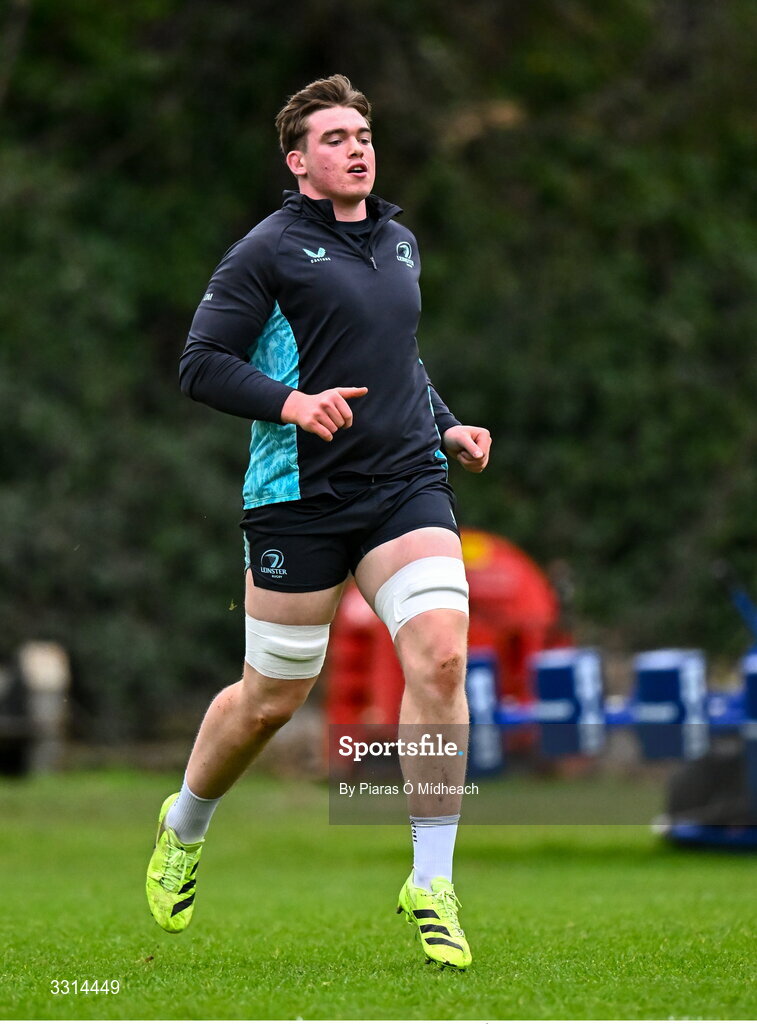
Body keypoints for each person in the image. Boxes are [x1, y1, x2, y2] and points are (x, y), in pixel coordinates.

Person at [145, 74, 491, 970]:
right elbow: (200, 363)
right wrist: (293, 403)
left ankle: (431, 878)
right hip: (297, 498)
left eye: (362, 133)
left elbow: (397, 358)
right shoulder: (265, 252)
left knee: (443, 656)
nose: (356, 147)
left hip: (404, 485)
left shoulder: (400, 243)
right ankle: (184, 824)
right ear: (298, 163)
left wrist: (446, 424)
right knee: (270, 699)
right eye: (334, 138)